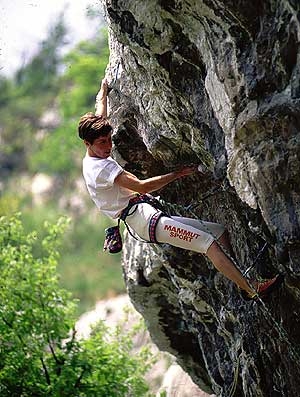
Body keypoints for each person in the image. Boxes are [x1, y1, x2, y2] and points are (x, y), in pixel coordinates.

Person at [78, 78, 281, 300]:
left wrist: (103, 90)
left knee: (219, 232)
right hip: (143, 221)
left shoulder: (94, 145)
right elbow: (143, 186)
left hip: (145, 213)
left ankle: (242, 281)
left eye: (109, 140)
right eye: (102, 143)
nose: (108, 147)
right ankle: (251, 289)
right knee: (208, 243)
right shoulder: (101, 169)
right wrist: (177, 174)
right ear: (88, 143)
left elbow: (100, 113)